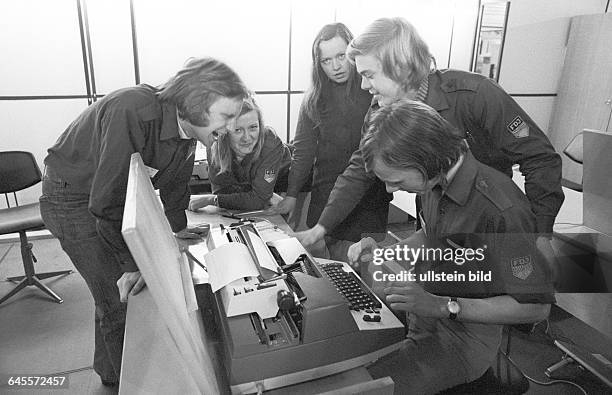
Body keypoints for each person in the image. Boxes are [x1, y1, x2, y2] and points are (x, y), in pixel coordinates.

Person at [39, 57, 249, 387]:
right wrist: (129, 263)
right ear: (196, 102)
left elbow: (176, 184)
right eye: (226, 116)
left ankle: (107, 372)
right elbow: (107, 202)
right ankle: (127, 385)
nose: (230, 126)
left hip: (106, 195)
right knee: (120, 298)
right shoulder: (133, 109)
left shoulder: (188, 128)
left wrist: (177, 229)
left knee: (109, 291)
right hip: (71, 197)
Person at [295, 17, 564, 261]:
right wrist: (323, 226)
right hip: (436, 224)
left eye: (368, 75)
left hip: (490, 225)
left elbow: (539, 158)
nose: (364, 86)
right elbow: (358, 171)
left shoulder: (476, 96)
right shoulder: (380, 110)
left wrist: (541, 234)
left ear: (399, 65)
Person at [347, 99, 555, 393]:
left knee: (360, 388)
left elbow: (536, 308)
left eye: (395, 180)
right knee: (337, 359)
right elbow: (434, 238)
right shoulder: (435, 180)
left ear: (425, 160)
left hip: (461, 339)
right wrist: (383, 253)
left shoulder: (500, 210)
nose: (390, 190)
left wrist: (443, 306)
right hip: (425, 313)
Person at [270, 22, 390, 262]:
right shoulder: (314, 98)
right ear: (318, 64)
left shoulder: (373, 89)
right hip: (326, 192)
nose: (335, 67)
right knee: (327, 266)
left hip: (368, 195)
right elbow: (303, 150)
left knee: (361, 266)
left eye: (341, 57)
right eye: (326, 61)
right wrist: (292, 194)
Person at [188, 96, 291, 211]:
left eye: (253, 127)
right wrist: (258, 196)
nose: (247, 138)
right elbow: (222, 192)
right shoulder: (215, 146)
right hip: (258, 190)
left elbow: (258, 201)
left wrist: (211, 200)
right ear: (224, 131)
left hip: (290, 183)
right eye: (238, 130)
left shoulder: (270, 143)